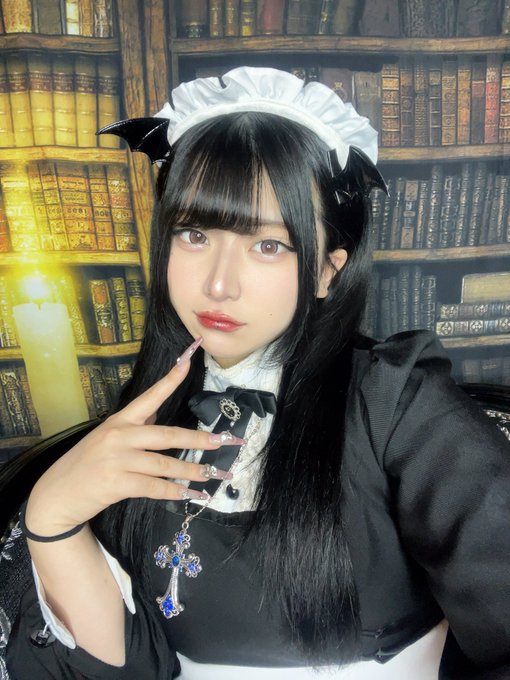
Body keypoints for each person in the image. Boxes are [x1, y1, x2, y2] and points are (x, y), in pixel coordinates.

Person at [5, 67, 510, 680]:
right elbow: (132, 665)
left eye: (268, 245)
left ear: (327, 271)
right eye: (194, 234)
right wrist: (51, 518)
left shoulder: (397, 404)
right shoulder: (149, 409)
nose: (218, 284)